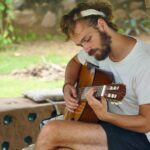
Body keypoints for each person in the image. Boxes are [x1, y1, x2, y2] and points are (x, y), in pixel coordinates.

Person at [35, 1, 150, 150]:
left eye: (87, 39)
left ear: (102, 25)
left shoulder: (144, 62)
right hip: (113, 127)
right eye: (80, 45)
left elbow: (146, 123)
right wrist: (68, 84)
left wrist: (106, 116)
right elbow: (74, 62)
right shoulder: (98, 50)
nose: (86, 49)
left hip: (142, 137)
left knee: (51, 130)